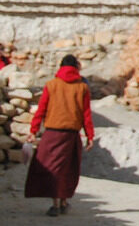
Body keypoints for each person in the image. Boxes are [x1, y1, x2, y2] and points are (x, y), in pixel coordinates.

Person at [25, 54, 95, 217]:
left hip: (52, 135)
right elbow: (86, 114)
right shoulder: (82, 87)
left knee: (52, 169)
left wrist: (33, 131)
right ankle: (63, 202)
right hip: (71, 135)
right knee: (68, 170)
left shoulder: (51, 85)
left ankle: (55, 204)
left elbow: (41, 110)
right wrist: (90, 135)